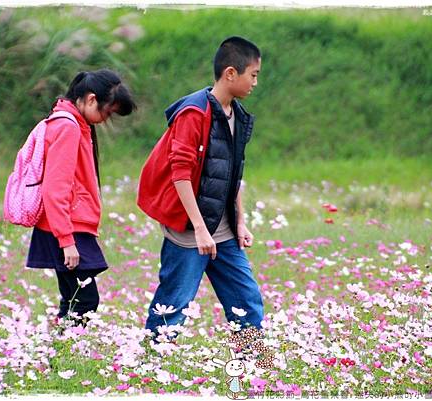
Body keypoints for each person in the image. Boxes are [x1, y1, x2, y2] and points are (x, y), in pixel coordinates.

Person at [137, 36, 264, 337]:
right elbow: (179, 174)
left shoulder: (238, 116)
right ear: (231, 73)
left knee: (247, 303)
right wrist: (198, 228)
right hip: (190, 232)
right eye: (253, 75)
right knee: (173, 306)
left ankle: (258, 370)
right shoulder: (194, 113)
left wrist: (241, 221)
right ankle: (150, 370)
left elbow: (235, 174)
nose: (255, 83)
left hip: (223, 231)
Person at [25, 70, 135, 325]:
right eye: (107, 113)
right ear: (90, 99)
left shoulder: (71, 122)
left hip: (66, 225)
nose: (105, 120)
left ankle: (59, 354)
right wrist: (66, 240)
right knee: (85, 301)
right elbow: (55, 188)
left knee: (73, 298)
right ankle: (66, 354)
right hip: (66, 227)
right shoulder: (67, 127)